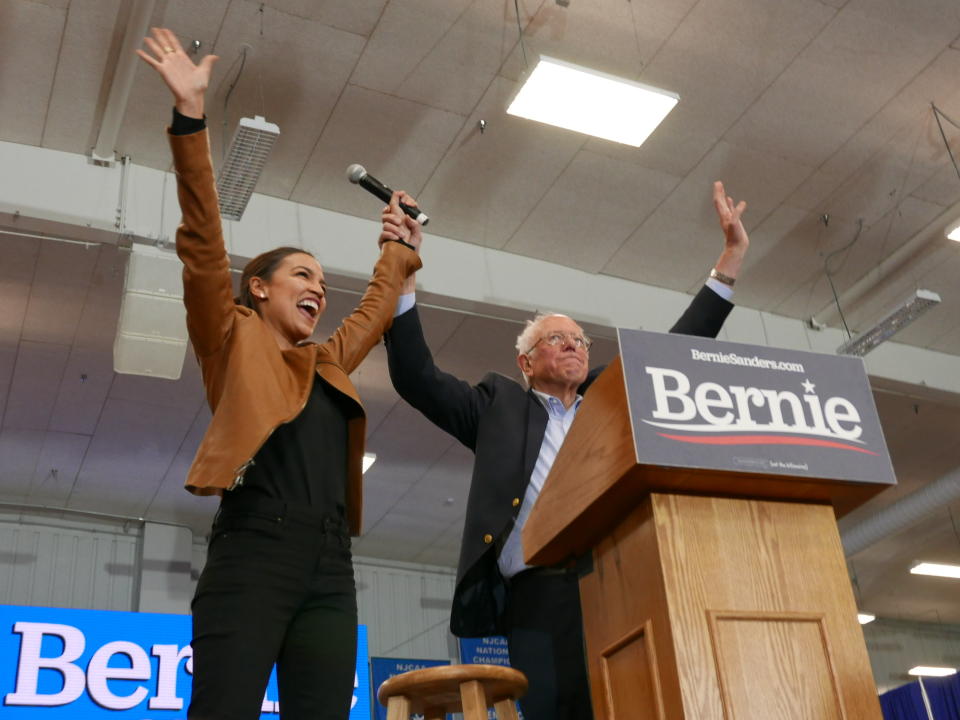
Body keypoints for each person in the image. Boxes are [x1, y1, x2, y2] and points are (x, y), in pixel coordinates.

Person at [380, 183, 749, 720]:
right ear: (526, 362)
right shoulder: (497, 406)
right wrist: (404, 276)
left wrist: (730, 260)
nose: (574, 344)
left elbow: (674, 350)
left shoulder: (609, 400)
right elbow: (417, 377)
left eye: (580, 339)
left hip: (619, 583)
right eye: (557, 339)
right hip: (539, 598)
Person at [137, 28, 422, 720]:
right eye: (302, 275)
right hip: (254, 549)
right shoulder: (227, 336)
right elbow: (203, 240)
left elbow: (377, 311)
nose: (319, 290)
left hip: (332, 565)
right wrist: (191, 121)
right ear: (258, 288)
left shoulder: (324, 362)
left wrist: (398, 249)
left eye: (323, 282)